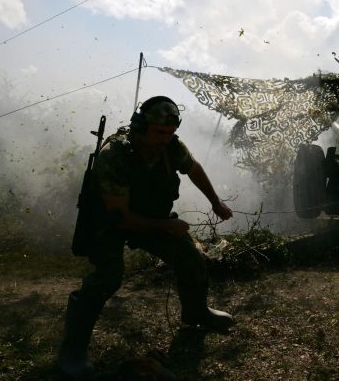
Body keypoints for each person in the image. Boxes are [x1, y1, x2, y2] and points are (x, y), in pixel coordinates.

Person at [57, 96, 233, 377]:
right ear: (141, 126)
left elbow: (193, 168)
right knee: (107, 278)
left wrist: (215, 201)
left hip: (151, 217)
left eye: (170, 133)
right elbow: (122, 218)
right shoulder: (115, 156)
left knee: (189, 256)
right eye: (159, 133)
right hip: (110, 223)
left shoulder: (170, 146)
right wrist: (165, 227)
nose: (165, 139)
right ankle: (72, 350)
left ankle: (196, 313)